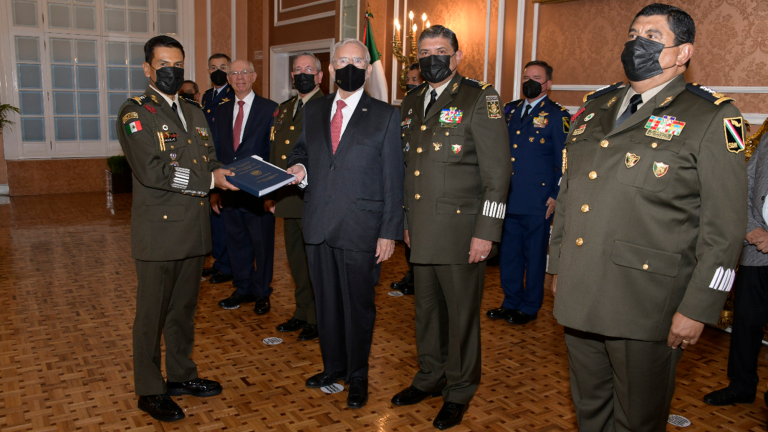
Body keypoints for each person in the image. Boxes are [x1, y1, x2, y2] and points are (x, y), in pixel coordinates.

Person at [547, 4, 747, 431]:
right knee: (589, 409)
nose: (637, 42)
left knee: (639, 419)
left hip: (646, 301)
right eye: (634, 32)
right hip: (581, 288)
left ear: (682, 53)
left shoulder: (712, 116)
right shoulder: (596, 106)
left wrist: (699, 307)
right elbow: (570, 195)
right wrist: (558, 266)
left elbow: (725, 229)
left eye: (653, 36)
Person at [390, 25, 512, 430]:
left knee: (460, 317)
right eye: (424, 52)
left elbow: (498, 174)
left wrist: (487, 232)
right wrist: (406, 221)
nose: (432, 58)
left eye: (440, 51)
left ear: (457, 57)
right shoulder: (410, 102)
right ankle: (430, 376)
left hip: (463, 232)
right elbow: (409, 171)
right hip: (421, 229)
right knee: (425, 312)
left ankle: (460, 388)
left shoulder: (480, 98)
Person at [117, 35, 238, 422]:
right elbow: (154, 171)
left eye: (178, 64)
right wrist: (209, 181)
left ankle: (181, 375)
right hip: (159, 232)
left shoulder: (194, 110)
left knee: (183, 312)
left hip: (193, 230)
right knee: (152, 315)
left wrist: (218, 175)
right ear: (148, 69)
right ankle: (150, 390)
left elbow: (209, 157)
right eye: (164, 65)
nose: (172, 71)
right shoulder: (135, 113)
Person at [286, 38, 404, 409]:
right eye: (342, 60)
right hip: (319, 223)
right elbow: (302, 149)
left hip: (362, 229)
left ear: (368, 70)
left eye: (358, 60)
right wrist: (300, 166)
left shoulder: (386, 114)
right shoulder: (315, 109)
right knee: (327, 305)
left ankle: (358, 376)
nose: (349, 66)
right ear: (332, 68)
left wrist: (388, 232)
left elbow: (393, 179)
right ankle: (333, 367)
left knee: (358, 308)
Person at [486, 61, 569, 325]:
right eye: (526, 76)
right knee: (509, 255)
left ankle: (530, 306)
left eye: (536, 77)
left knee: (534, 256)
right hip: (508, 198)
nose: (529, 81)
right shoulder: (509, 110)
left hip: (538, 200)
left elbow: (565, 160)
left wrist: (556, 194)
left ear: (548, 83)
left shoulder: (558, 115)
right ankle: (510, 301)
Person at [703, 132, 768, 409]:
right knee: (746, 321)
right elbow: (748, 181)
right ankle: (741, 386)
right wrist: (752, 228)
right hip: (757, 249)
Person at [263, 52, 324, 341]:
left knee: (315, 264)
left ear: (320, 76)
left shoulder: (327, 107)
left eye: (309, 69)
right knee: (297, 262)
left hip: (314, 197)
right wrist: (272, 194)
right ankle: (302, 312)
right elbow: (278, 155)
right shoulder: (285, 109)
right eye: (297, 69)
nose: (302, 74)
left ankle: (317, 318)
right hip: (287, 198)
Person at [210, 60, 278, 315]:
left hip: (259, 193)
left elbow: (274, 153)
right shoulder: (222, 110)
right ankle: (243, 288)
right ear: (228, 79)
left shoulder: (270, 109)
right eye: (234, 73)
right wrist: (214, 190)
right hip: (228, 190)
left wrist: (272, 194)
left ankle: (262, 292)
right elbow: (216, 150)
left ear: (254, 76)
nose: (240, 77)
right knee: (236, 243)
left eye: (245, 72)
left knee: (262, 246)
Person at [391, 62, 425, 295]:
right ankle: (412, 275)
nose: (411, 84)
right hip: (405, 184)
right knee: (408, 236)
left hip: (423, 183)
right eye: (409, 80)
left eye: (416, 80)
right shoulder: (405, 107)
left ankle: (419, 279)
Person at [201, 53, 234, 284]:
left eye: (223, 67)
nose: (218, 71)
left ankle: (228, 265)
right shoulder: (206, 96)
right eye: (213, 67)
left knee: (225, 218)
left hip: (224, 163)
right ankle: (219, 261)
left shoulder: (232, 95)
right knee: (214, 217)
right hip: (207, 161)